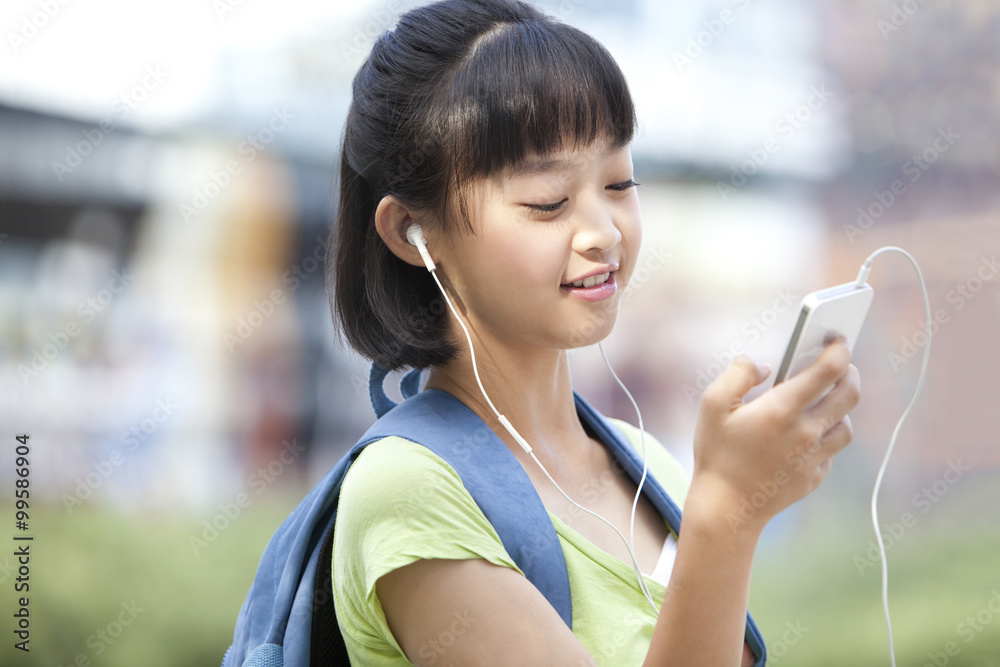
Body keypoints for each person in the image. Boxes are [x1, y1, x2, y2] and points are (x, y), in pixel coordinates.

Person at [327, 0, 860, 665]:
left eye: (618, 182)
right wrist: (727, 512)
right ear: (413, 230)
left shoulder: (644, 465)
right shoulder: (409, 490)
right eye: (548, 201)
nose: (604, 231)